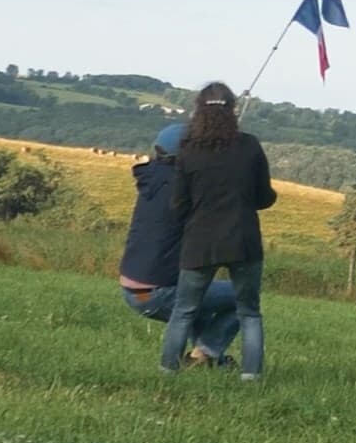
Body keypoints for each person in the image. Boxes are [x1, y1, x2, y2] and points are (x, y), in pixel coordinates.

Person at [161, 82, 276, 380]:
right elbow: (265, 197)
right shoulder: (250, 145)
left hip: (200, 241)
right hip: (244, 240)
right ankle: (251, 376)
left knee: (184, 311)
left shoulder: (188, 150)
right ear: (233, 110)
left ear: (198, 110)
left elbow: (178, 205)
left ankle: (167, 371)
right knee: (249, 312)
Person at [117, 120, 240, 365]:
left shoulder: (154, 180)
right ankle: (203, 355)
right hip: (157, 293)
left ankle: (206, 363)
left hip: (134, 290)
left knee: (198, 304)